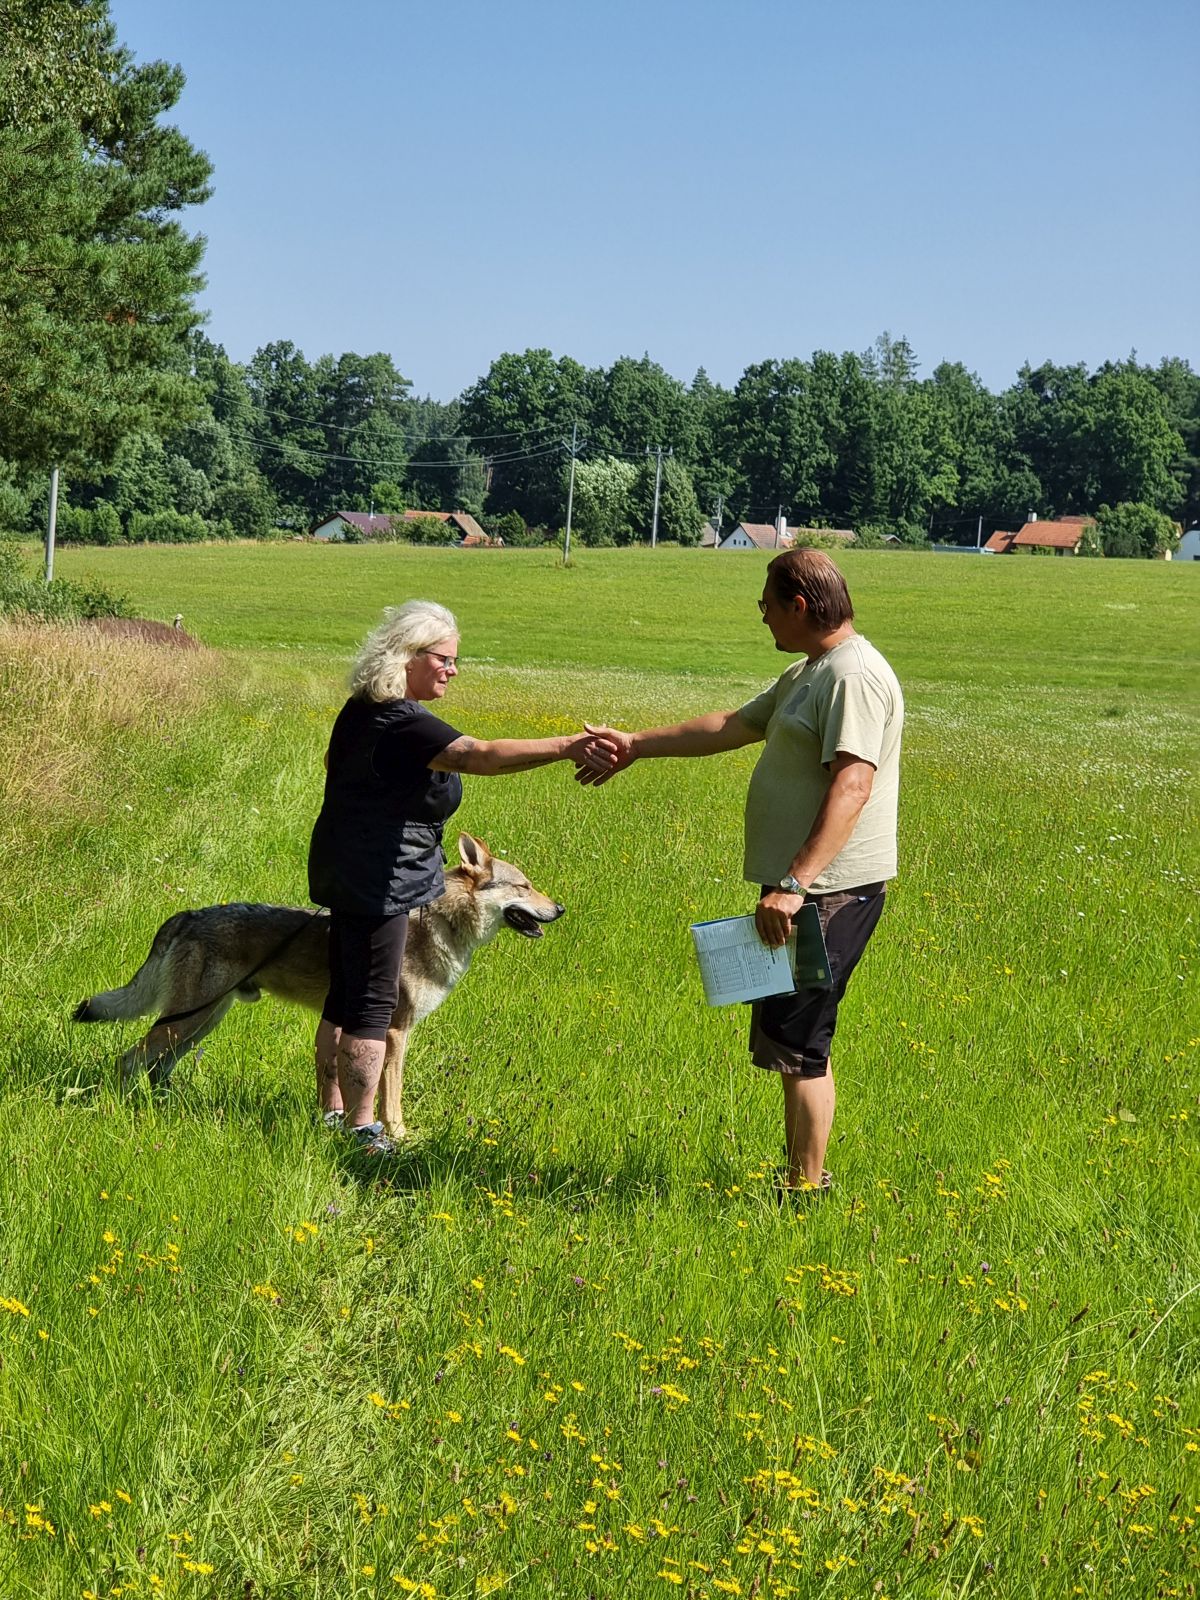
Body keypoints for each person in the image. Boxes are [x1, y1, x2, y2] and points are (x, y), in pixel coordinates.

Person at [578, 548, 903, 1196]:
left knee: (804, 1041)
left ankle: (805, 1190)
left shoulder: (853, 677)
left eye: (766, 606)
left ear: (799, 605)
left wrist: (794, 883)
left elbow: (853, 785)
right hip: (804, 891)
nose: (763, 618)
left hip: (826, 892)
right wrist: (635, 745)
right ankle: (801, 1177)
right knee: (795, 1040)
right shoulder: (811, 671)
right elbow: (731, 724)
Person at [308, 599, 612, 1155]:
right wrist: (569, 745)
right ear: (408, 655)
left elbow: (334, 768)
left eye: (456, 660)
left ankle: (331, 1114)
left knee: (342, 997)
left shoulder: (361, 708)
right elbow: (481, 756)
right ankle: (362, 1129)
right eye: (444, 658)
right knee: (375, 1006)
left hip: (343, 864)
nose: (453, 669)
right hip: (382, 880)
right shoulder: (404, 721)